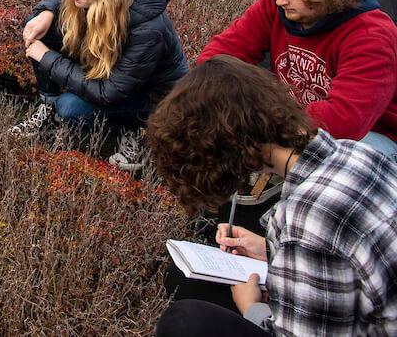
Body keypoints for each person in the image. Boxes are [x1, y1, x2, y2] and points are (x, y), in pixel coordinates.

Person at [149, 56, 397, 337]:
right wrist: (269, 248)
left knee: (184, 322)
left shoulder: (306, 215)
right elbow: (346, 256)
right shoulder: (357, 152)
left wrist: (252, 309)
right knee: (186, 281)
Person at [198, 0, 397, 157]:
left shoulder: (370, 37)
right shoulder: (275, 8)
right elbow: (217, 59)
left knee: (330, 177)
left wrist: (258, 118)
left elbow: (344, 123)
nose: (280, 0)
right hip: (296, 118)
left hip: (373, 135)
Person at [14, 0, 188, 171]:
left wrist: (47, 58)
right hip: (117, 78)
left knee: (69, 108)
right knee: (37, 30)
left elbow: (108, 93)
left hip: (152, 100)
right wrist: (46, 12)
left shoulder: (148, 30)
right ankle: (47, 107)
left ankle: (137, 129)